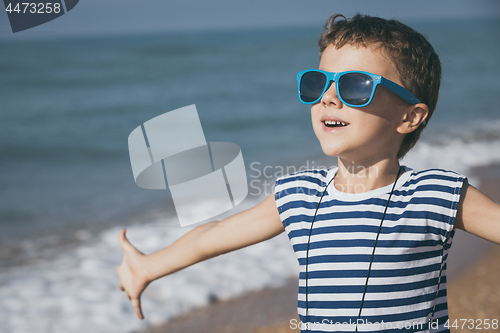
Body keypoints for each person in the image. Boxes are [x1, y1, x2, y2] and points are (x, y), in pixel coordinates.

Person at [116, 14, 500, 332]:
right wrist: (147, 266)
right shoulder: (299, 196)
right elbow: (211, 236)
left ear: (409, 116)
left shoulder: (434, 195)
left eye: (355, 86)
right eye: (318, 83)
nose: (328, 97)